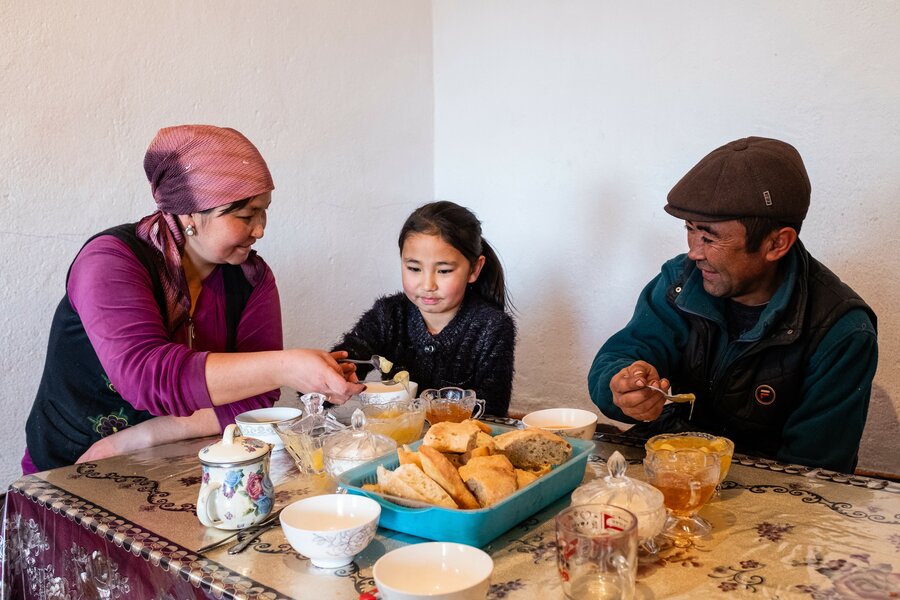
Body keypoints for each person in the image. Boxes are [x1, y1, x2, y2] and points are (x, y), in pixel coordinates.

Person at [24, 124, 364, 473]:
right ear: (189, 214)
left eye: (264, 212)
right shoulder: (111, 262)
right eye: (246, 215)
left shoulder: (251, 279)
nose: (261, 229)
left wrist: (139, 437)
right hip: (70, 469)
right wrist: (286, 366)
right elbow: (147, 376)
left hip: (175, 466)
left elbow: (256, 399)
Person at [588, 137, 877, 473]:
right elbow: (616, 358)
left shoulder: (840, 331)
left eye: (710, 237)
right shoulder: (679, 282)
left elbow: (813, 474)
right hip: (668, 467)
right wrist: (622, 386)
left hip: (766, 493)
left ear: (776, 243)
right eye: (690, 230)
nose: (695, 251)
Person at [333, 201, 516, 416]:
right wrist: (330, 378)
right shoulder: (389, 315)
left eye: (444, 271)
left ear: (474, 269)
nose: (428, 285)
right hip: (400, 441)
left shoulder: (492, 327)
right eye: (414, 268)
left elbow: (491, 413)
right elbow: (350, 357)